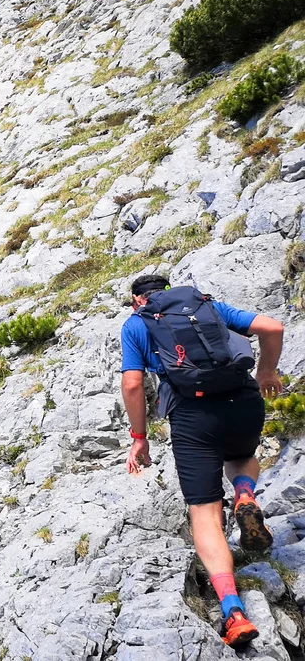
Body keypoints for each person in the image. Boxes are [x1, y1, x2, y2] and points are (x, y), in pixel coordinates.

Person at [121, 274, 284, 647]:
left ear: (136, 300)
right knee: (242, 456)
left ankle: (234, 612)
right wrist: (266, 371)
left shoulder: (136, 324)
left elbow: (132, 384)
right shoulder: (205, 306)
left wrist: (139, 439)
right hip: (244, 400)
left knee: (205, 512)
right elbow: (273, 327)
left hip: (193, 415)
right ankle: (244, 493)